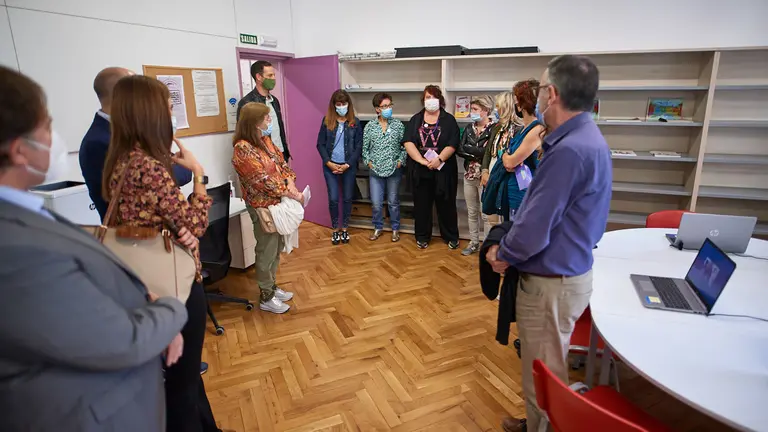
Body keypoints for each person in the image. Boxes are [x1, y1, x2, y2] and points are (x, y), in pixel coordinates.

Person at [0, 67, 187, 431]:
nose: (54, 139)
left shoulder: (25, 217)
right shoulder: (18, 247)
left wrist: (139, 295)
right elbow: (120, 340)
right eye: (47, 126)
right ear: (20, 150)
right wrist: (170, 309)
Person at [485, 55, 612, 432]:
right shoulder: (585, 139)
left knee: (543, 372)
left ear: (552, 94)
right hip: (567, 274)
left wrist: (501, 255)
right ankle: (537, 423)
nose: (538, 97)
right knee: (547, 367)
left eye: (541, 89)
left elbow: (535, 226)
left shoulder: (570, 151)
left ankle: (541, 427)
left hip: (551, 283)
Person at [102, 75, 219, 432]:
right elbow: (197, 224)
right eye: (169, 107)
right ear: (151, 113)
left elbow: (160, 221)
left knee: (182, 377)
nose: (172, 113)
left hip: (146, 276)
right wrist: (198, 173)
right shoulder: (149, 167)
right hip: (174, 282)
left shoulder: (121, 160)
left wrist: (177, 227)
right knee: (182, 382)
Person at [80, 67, 192, 220]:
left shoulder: (130, 132)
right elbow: (158, 180)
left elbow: (181, 171)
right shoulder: (98, 142)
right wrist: (191, 170)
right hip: (132, 236)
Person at [232, 102, 301, 314]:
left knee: (276, 246)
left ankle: (272, 285)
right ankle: (266, 295)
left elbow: (282, 165)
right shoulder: (242, 149)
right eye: (266, 119)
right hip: (262, 207)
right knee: (266, 250)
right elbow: (262, 181)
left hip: (277, 204)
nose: (270, 122)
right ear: (254, 123)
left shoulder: (266, 141)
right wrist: (291, 193)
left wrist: (290, 181)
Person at [402, 85, 461, 250]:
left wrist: (440, 159)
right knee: (422, 205)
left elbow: (453, 143)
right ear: (423, 100)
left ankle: (451, 236)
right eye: (427, 97)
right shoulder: (416, 119)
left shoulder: (448, 120)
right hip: (420, 171)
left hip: (444, 170)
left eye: (433, 97)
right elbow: (408, 142)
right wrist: (421, 160)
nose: (430, 101)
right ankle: (422, 237)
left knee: (446, 205)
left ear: (440, 100)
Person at [316, 89, 362, 245]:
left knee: (348, 198)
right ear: (334, 105)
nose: (341, 106)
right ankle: (335, 229)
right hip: (330, 166)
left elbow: (358, 146)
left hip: (348, 166)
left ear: (348, 105)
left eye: (344, 104)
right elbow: (320, 144)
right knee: (334, 198)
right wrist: (328, 162)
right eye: (338, 104)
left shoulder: (355, 122)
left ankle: (345, 229)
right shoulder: (326, 121)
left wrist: (348, 164)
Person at [362, 92, 405, 242]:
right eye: (384, 106)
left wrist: (401, 160)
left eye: (389, 105)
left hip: (394, 169)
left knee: (393, 202)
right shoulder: (369, 126)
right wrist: (368, 161)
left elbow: (405, 147)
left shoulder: (398, 125)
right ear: (377, 109)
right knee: (376, 203)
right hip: (375, 171)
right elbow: (365, 149)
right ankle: (378, 227)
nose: (388, 108)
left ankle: (395, 228)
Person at [456, 95, 495, 255]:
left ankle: (487, 246)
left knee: (485, 214)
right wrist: (476, 153)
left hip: (485, 177)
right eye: (472, 109)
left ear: (486, 111)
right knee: (471, 211)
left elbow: (490, 152)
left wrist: (471, 150)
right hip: (469, 175)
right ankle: (473, 242)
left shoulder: (494, 129)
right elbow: (460, 149)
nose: (472, 112)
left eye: (475, 109)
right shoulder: (469, 128)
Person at [501, 79, 544, 219]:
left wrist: (504, 156)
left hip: (526, 195)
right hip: (515, 190)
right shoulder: (523, 129)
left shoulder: (536, 129)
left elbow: (510, 162)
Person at [237, 60, 290, 161]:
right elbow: (244, 134)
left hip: (280, 152)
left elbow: (279, 128)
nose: (273, 78)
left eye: (274, 75)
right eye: (270, 76)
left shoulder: (274, 100)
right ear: (259, 77)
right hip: (262, 157)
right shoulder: (247, 103)